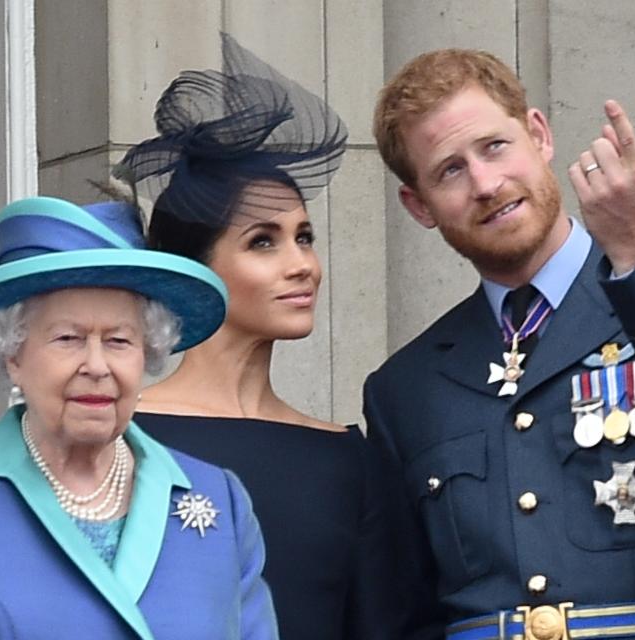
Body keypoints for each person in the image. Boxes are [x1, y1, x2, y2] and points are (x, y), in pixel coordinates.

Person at [365, 48, 635, 639]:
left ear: (539, 135)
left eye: (495, 147)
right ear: (419, 206)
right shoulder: (405, 388)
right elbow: (402, 616)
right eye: (450, 170)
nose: (486, 184)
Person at [114, 33, 400, 640]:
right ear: (196, 271)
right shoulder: (119, 435)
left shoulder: (348, 457)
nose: (302, 264)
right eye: (262, 242)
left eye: (304, 236)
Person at [0, 195, 278, 639]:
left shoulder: (222, 499)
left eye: (119, 341)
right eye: (68, 338)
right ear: (13, 356)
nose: (97, 366)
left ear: (148, 354)